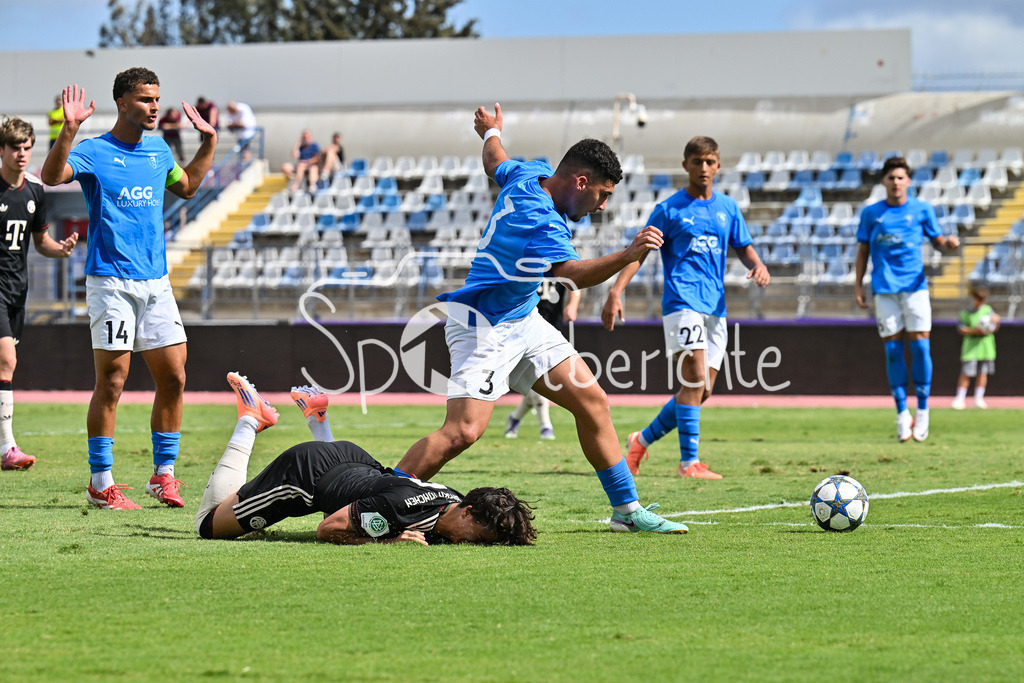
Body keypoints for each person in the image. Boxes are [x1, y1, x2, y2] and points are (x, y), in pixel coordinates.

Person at [393, 102, 688, 535]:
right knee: (463, 432)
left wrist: (491, 132)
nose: (603, 206)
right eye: (602, 194)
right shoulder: (541, 220)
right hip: (482, 326)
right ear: (581, 182)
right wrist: (629, 254)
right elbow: (571, 276)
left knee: (593, 402)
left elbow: (496, 160)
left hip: (522, 320)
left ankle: (626, 511)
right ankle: (379, 504)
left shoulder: (530, 174)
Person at [40, 67, 217, 509]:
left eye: (157, 99)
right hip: (110, 283)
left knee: (175, 377)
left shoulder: (158, 151)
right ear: (122, 103)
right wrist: (69, 128)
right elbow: (51, 175)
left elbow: (190, 186)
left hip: (156, 283)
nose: (154, 107)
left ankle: (164, 476)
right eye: (145, 100)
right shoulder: (94, 151)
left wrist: (209, 142)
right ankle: (101, 482)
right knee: (113, 381)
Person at [196, 373, 537, 546]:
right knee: (210, 526)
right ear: (468, 511)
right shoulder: (402, 509)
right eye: (479, 535)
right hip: (307, 474)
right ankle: (251, 419)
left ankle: (319, 421)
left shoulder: (453, 501)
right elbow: (327, 529)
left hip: (355, 460)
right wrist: (389, 541)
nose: (473, 544)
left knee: (357, 509)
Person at [602, 136, 770, 480]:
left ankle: (641, 440)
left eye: (710, 162)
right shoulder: (669, 210)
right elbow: (639, 253)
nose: (704, 168)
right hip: (682, 303)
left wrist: (759, 264)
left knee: (701, 390)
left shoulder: (728, 208)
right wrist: (615, 290)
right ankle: (688, 463)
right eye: (697, 162)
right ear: (686, 166)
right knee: (693, 380)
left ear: (718, 166)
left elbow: (744, 247)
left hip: (715, 308)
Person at [854, 156, 960, 442]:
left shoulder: (922, 209)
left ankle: (923, 410)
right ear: (883, 182)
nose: (896, 182)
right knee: (892, 352)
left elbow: (938, 242)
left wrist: (948, 245)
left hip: (915, 289)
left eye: (901, 177)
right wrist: (858, 285)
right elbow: (863, 250)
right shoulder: (871, 213)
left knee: (921, 348)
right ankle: (902, 414)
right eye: (891, 178)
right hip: (884, 289)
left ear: (908, 181)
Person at [0, 117, 79, 471]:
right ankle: (7, 448)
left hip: (18, 289)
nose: (21, 154)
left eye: (26, 147)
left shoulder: (35, 191)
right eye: (14, 147)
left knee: (4, 367)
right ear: (1, 150)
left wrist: (60, 249)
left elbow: (40, 242)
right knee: (7, 362)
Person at [504, 282, 581, 440]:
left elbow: (575, 281)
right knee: (539, 376)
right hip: (524, 325)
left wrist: (573, 304)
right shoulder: (525, 262)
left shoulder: (556, 259)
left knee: (539, 379)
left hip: (551, 327)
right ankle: (545, 425)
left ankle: (515, 418)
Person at [952, 285, 999, 410]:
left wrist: (996, 322)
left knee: (982, 373)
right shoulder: (966, 313)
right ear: (974, 298)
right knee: (966, 373)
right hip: (971, 348)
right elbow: (961, 329)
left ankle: (979, 398)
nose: (981, 301)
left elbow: (994, 327)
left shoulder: (988, 311)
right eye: (979, 298)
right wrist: (975, 331)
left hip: (985, 348)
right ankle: (960, 398)